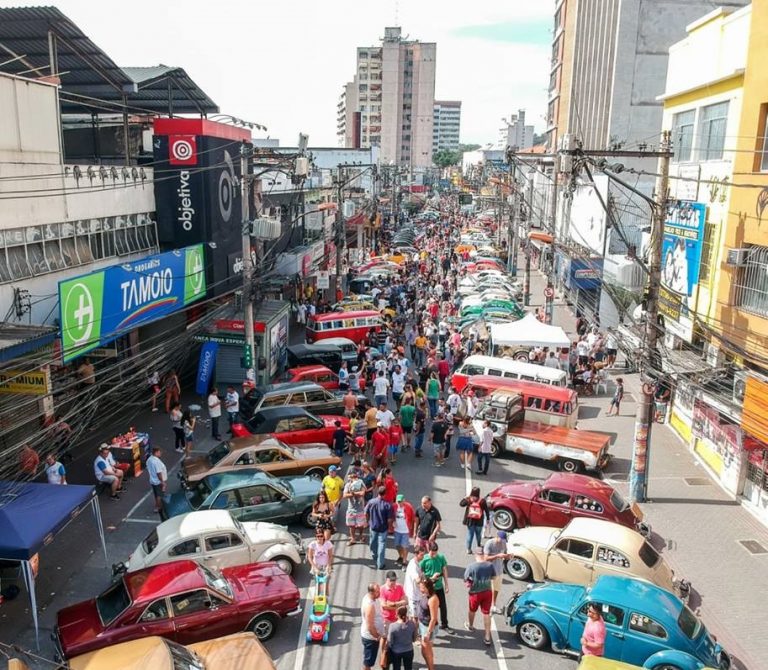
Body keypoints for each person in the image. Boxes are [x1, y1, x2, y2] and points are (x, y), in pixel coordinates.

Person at [463, 547, 496, 646]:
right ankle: (487, 636)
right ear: (483, 554)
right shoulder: (490, 565)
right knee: (486, 613)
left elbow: (465, 579)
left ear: (475, 555)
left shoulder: (471, 566)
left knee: (472, 610)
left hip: (475, 593)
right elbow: (493, 577)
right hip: (487, 591)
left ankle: (471, 626)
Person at [420, 541, 450, 631]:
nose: (434, 555)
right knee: (429, 607)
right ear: (429, 550)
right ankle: (429, 624)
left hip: (439, 586)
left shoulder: (441, 557)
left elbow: (444, 570)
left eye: (436, 552)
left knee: (443, 606)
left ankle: (444, 624)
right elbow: (421, 573)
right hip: (429, 588)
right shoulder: (424, 559)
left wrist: (447, 584)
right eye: (432, 553)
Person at [380, 571, 408, 667]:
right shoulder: (382, 589)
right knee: (384, 638)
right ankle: (384, 655)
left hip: (396, 619)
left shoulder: (399, 587)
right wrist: (398, 606)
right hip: (386, 619)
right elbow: (384, 606)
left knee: (396, 638)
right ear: (387, 580)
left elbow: (405, 601)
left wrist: (393, 604)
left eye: (394, 580)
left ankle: (393, 655)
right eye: (391, 581)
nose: (393, 583)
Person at [365, 486, 393, 570]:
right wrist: (390, 527)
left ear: (378, 493)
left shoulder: (371, 502)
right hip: (383, 528)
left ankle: (374, 555)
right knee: (382, 545)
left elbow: (366, 513)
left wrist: (368, 521)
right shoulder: (387, 505)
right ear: (385, 494)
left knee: (372, 542)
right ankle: (380, 563)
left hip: (373, 526)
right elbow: (389, 519)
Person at [484, 530, 510, 613]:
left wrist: (508, 556)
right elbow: (486, 558)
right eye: (502, 540)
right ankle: (487, 606)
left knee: (497, 589)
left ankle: (493, 605)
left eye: (504, 540)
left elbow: (505, 554)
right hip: (490, 571)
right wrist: (497, 556)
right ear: (497, 537)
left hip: (499, 570)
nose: (503, 542)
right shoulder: (489, 543)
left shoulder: (503, 543)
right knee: (489, 589)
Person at [361, 583, 385, 670]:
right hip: (371, 638)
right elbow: (370, 626)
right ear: (372, 592)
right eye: (377, 592)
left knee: (369, 661)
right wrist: (377, 636)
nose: (380, 593)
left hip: (372, 637)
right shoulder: (369, 606)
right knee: (368, 663)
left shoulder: (370, 598)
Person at [417, 578, 439, 670]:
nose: (420, 588)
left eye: (421, 587)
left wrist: (428, 633)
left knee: (427, 651)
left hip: (428, 628)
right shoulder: (425, 594)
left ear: (427, 588)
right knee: (424, 650)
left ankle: (431, 668)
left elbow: (433, 619)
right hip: (423, 625)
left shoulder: (433, 599)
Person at [460, 486, 490, 554]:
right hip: (479, 520)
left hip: (470, 520)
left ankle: (468, 549)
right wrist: (488, 519)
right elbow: (486, 510)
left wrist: (465, 498)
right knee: (478, 534)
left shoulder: (469, 500)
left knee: (470, 534)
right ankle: (479, 545)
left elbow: (461, 504)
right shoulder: (482, 501)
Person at [387, 605, 417, 670]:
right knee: (408, 668)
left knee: (396, 668)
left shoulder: (392, 626)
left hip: (396, 652)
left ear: (397, 614)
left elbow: (390, 642)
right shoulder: (412, 624)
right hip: (409, 650)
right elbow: (414, 639)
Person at [344, 470, 368, 545]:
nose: (352, 478)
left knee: (361, 525)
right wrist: (355, 494)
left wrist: (353, 493)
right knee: (351, 525)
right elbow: (344, 495)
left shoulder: (361, 483)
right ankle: (353, 538)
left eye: (354, 476)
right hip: (351, 509)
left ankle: (361, 536)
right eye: (351, 477)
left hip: (360, 509)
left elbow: (363, 493)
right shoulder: (348, 485)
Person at [392, 493, 415, 567]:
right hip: (397, 530)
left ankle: (404, 561)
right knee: (397, 545)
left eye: (400, 501)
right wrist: (393, 521)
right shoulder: (394, 507)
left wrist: (413, 529)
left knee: (404, 546)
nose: (399, 503)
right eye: (397, 501)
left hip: (405, 531)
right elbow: (391, 515)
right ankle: (401, 556)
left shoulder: (408, 507)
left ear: (404, 500)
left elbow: (413, 518)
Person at [146, 446, 168, 520]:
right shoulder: (156, 462)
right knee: (160, 494)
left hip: (152, 480)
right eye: (159, 452)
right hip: (158, 481)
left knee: (156, 494)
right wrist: (163, 482)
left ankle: (157, 505)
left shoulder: (149, 459)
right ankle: (158, 507)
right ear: (156, 452)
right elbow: (159, 473)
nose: (160, 453)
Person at [404, 546, 425, 618]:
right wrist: (423, 583)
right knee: (414, 617)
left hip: (417, 594)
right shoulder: (413, 566)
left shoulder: (417, 563)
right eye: (421, 555)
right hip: (413, 595)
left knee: (417, 616)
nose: (423, 557)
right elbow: (417, 580)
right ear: (416, 554)